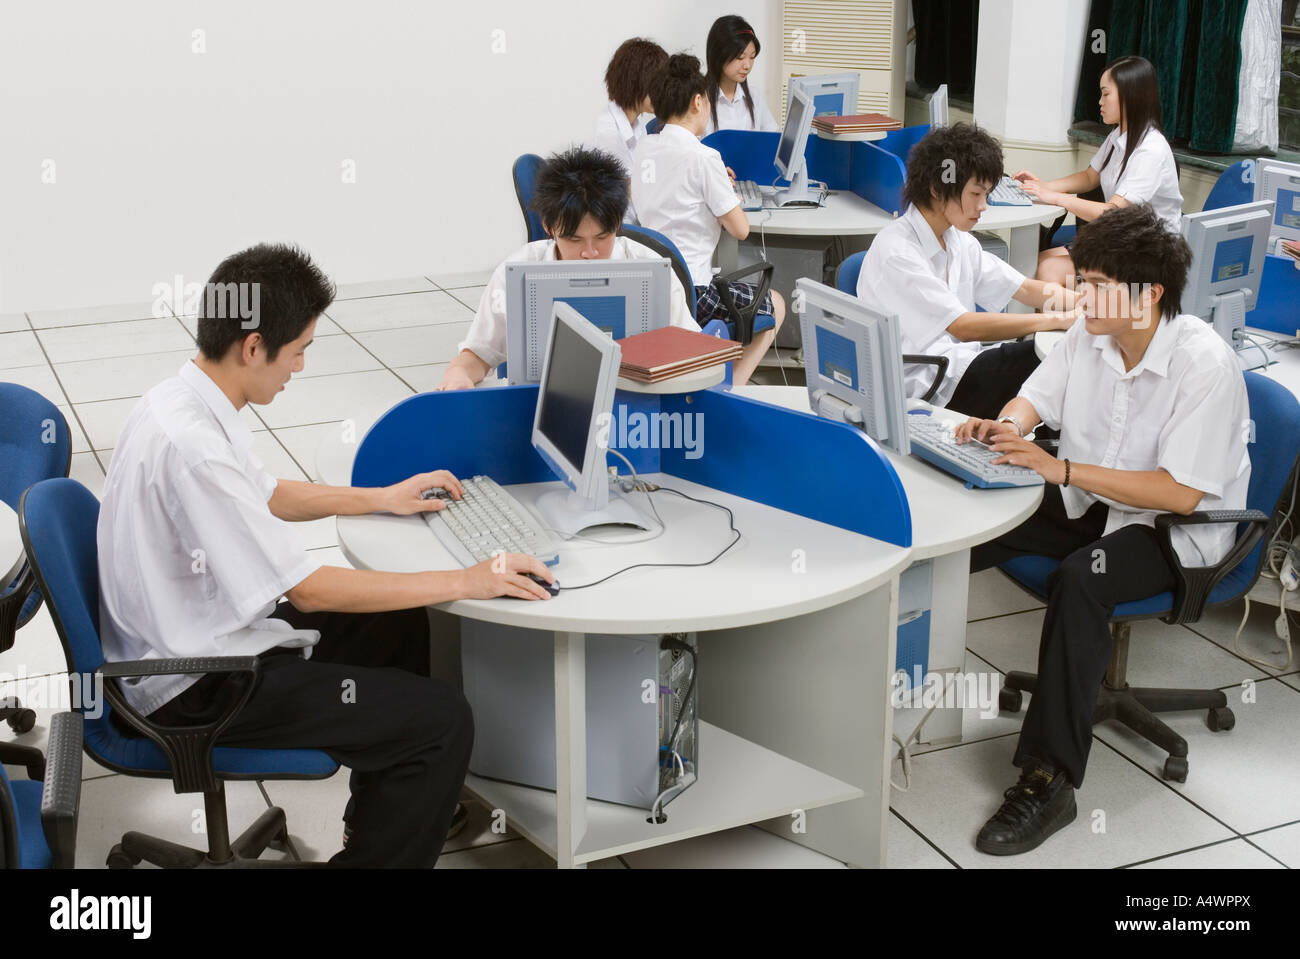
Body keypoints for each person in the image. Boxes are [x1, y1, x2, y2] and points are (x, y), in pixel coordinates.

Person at [97, 243, 557, 868]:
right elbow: (309, 589)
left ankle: (372, 827)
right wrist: (472, 577)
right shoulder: (194, 446)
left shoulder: (181, 400)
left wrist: (379, 498)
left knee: (393, 624)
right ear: (253, 346)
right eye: (299, 350)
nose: (303, 367)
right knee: (442, 719)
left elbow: (266, 494)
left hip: (183, 639)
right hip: (193, 684)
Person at [958, 204, 1250, 855]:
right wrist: (1011, 424)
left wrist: (1059, 466)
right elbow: (1036, 394)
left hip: (1174, 530)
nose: (1080, 294)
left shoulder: (1203, 364)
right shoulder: (1091, 333)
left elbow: (1178, 490)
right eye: (1082, 279)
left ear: (1147, 295)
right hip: (1093, 502)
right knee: (972, 519)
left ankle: (1049, 779)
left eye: (1094, 284)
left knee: (1081, 579)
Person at [859, 122, 1079, 418]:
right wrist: (1057, 320)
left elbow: (1025, 289)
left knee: (1060, 362)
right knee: (1049, 361)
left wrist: (1085, 303)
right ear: (937, 189)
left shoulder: (957, 240)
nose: (983, 206)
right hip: (927, 384)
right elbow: (963, 327)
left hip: (960, 367)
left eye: (986, 194)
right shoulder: (897, 252)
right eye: (976, 194)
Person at [440, 147, 697, 390]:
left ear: (618, 223)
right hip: (542, 402)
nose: (589, 253)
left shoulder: (651, 269)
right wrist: (458, 373)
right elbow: (477, 354)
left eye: (602, 237)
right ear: (549, 227)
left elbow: (691, 350)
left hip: (636, 404)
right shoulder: (518, 271)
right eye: (574, 239)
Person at [631, 53, 786, 387]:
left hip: (652, 289)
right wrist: (725, 195)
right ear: (698, 101)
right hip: (694, 294)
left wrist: (714, 187)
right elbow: (740, 229)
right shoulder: (704, 157)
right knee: (776, 303)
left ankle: (714, 376)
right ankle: (733, 390)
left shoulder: (644, 147)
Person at [1014, 55, 1183, 287]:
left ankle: (1080, 320)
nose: (1100, 102)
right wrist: (1044, 187)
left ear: (1130, 96)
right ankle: (1071, 319)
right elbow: (1090, 176)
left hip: (1148, 257)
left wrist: (1056, 198)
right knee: (1031, 263)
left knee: (1049, 271)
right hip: (1121, 243)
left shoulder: (1151, 149)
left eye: (1106, 94)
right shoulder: (1119, 135)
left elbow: (1112, 212)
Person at [587, 37, 668, 224]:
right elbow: (638, 191)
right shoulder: (610, 134)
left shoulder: (637, 127)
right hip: (623, 231)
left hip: (636, 221)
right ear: (637, 84)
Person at [705, 15, 778, 133]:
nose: (747, 65)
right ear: (719, 55)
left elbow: (771, 136)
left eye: (752, 57)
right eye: (740, 57)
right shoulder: (699, 99)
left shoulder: (754, 96)